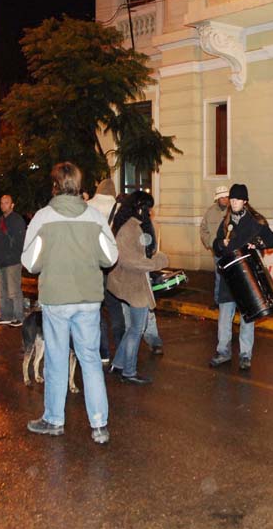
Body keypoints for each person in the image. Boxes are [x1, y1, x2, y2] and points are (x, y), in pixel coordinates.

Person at [22, 162, 118, 443]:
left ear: (55, 186)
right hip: (88, 299)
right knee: (89, 359)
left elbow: (30, 262)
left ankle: (54, 419)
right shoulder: (95, 217)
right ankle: (99, 426)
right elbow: (110, 258)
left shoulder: (42, 217)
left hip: (57, 299)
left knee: (56, 357)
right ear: (78, 185)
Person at [210, 183, 273, 370]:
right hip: (228, 277)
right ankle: (223, 351)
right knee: (224, 316)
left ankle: (245, 355)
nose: (233, 202)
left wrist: (258, 243)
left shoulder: (256, 222)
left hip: (247, 277)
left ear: (245, 201)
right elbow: (216, 245)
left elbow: (272, 240)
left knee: (248, 318)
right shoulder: (226, 222)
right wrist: (221, 244)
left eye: (237, 199)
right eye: (231, 199)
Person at [107, 192, 168, 385]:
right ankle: (129, 371)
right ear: (139, 208)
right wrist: (157, 262)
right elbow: (129, 260)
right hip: (133, 285)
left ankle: (118, 364)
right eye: (148, 209)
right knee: (136, 329)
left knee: (133, 328)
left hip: (132, 283)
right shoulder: (130, 229)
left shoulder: (131, 225)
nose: (149, 213)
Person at [87, 178, 118, 362]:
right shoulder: (119, 208)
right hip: (113, 263)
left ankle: (102, 350)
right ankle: (120, 347)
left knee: (96, 309)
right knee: (115, 306)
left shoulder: (88, 206)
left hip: (93, 265)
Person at [0, 194, 27, 327]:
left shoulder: (17, 220)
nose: (3, 205)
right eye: (2, 203)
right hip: (1, 261)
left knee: (14, 290)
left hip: (13, 260)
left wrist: (16, 256)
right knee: (3, 291)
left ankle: (19, 316)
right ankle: (5, 315)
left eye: (6, 203)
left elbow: (20, 241)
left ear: (12, 205)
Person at [200, 185, 229, 306]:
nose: (225, 199)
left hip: (231, 250)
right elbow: (203, 229)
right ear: (217, 199)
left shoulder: (233, 210)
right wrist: (211, 243)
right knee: (219, 277)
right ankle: (218, 301)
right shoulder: (210, 212)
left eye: (226, 197)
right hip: (217, 251)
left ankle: (234, 303)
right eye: (222, 197)